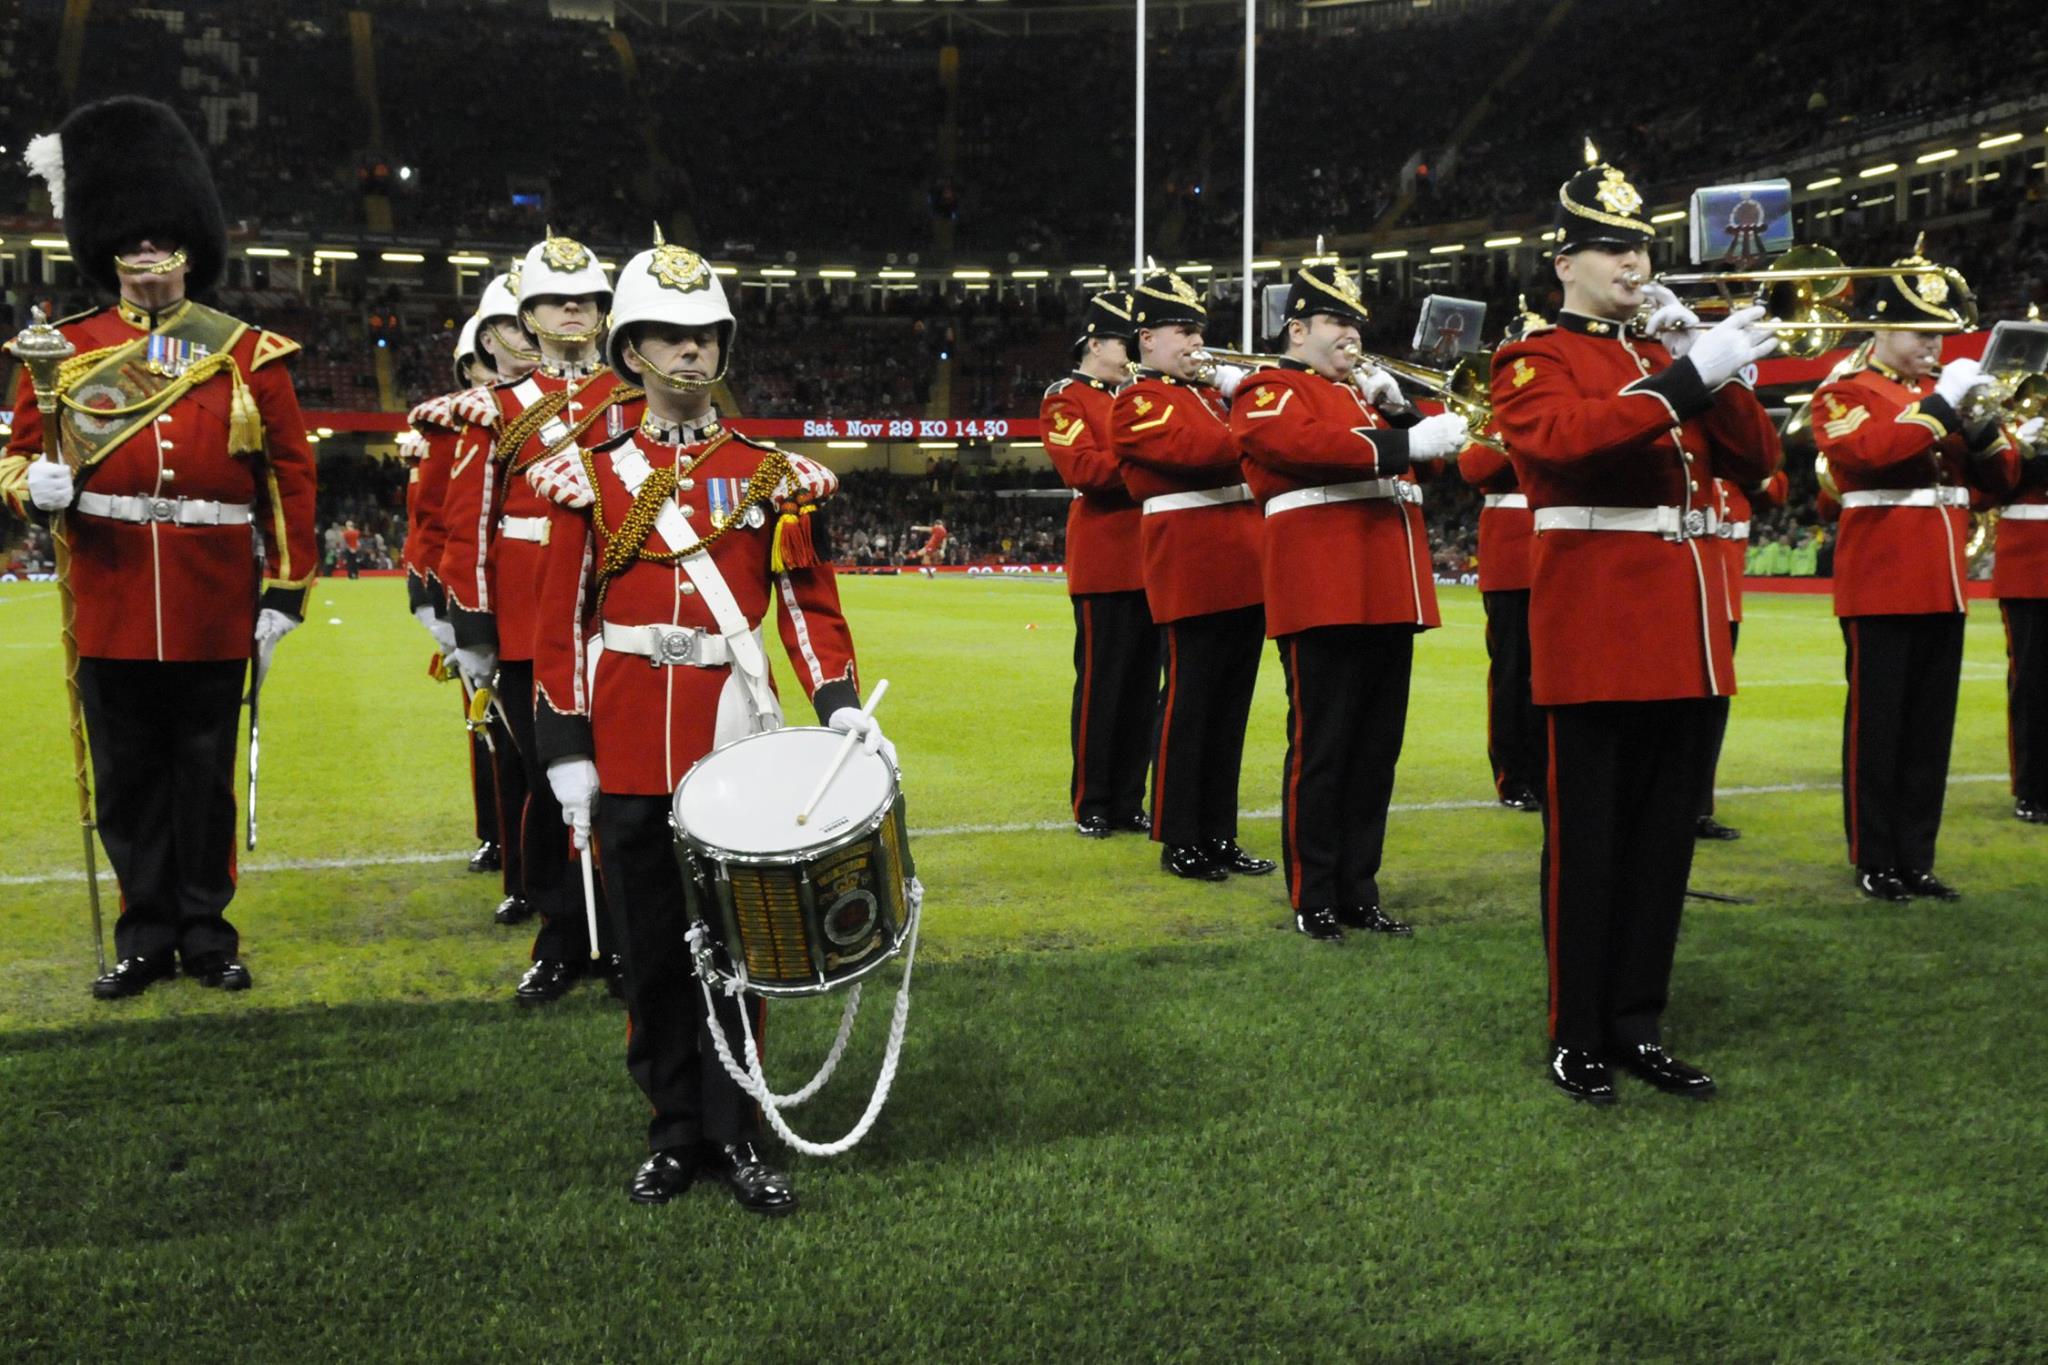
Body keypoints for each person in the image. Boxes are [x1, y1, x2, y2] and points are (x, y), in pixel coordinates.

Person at [527, 235, 890, 1213]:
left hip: (736, 741)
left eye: (703, 338)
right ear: (631, 349)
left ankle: (737, 1133)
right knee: (649, 952)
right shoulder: (587, 473)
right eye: (667, 337)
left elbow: (809, 608)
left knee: (741, 948)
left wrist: (843, 707)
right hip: (628, 736)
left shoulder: (769, 475)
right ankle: (672, 1129)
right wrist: (564, 746)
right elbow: (559, 622)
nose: (689, 355)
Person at [2, 97, 316, 998]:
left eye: (162, 240)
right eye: (130, 241)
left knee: (203, 778)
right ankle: (145, 932)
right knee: (130, 778)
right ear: (106, 247)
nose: (146, 255)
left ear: (190, 245)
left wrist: (284, 591)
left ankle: (207, 930)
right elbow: (17, 458)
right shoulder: (62, 354)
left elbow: (290, 479)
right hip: (106, 591)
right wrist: (36, 487)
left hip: (214, 592)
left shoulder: (247, 354)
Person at [1491, 153, 1781, 1104]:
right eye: (1612, 248)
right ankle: (1578, 1031)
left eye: (1642, 247)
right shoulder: (1533, 357)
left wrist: (1716, 365)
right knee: (1589, 846)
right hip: (1599, 629)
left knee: (1663, 847)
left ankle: (1638, 1023)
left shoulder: (1663, 356)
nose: (1633, 263)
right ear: (1564, 263)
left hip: (1684, 633)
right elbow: (1565, 446)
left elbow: (1757, 462)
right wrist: (1688, 377)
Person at [1232, 263, 1470, 940]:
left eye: (1355, 323)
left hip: (1386, 587)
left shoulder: (1365, 397)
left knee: (1375, 751)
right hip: (1325, 588)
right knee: (1324, 747)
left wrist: (1399, 410)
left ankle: (1359, 888)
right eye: (1337, 321)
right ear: (1297, 328)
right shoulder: (1267, 387)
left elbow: (1435, 459)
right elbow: (1298, 444)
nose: (1351, 335)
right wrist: (1401, 439)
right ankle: (1314, 894)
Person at [440, 231, 641, 1000]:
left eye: (586, 299)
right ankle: (560, 936)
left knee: (620, 788)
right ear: (528, 312)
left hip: (613, 617)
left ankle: (624, 937)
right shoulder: (497, 408)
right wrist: (476, 631)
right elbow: (471, 524)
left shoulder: (628, 400)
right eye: (557, 299)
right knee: (544, 784)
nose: (572, 310)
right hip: (527, 623)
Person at [1813, 248, 2022, 899]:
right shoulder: (1845, 391)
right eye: (1920, 331)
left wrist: (1988, 427)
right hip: (1880, 584)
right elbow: (1872, 451)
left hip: (1941, 585)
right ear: (1881, 329)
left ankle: (1916, 856)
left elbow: (2000, 483)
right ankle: (1874, 857)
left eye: (1939, 331)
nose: (1933, 342)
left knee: (1930, 734)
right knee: (1877, 734)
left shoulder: (1939, 398)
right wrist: (1943, 403)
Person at [1112, 272, 1273, 882]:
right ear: (1146, 338)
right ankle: (1179, 835)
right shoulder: (1138, 400)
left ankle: (1218, 832)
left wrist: (1238, 403)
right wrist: (1256, 412)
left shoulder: (1210, 397)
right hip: (1193, 568)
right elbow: (1202, 452)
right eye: (1183, 331)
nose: (1196, 343)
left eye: (1199, 331)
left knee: (1229, 713)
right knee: (1189, 707)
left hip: (1243, 566)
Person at [403, 298, 518, 878]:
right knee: (488, 731)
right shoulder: (452, 426)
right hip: (475, 599)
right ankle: (498, 837)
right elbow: (430, 524)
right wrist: (434, 606)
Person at [1043, 289, 1155, 839]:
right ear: (1094, 344)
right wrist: (1155, 461)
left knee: (1141, 691)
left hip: (1154, 560)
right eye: (1124, 341)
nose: (1133, 351)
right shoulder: (1067, 397)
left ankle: (1129, 799)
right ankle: (1092, 799)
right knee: (1102, 688)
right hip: (1107, 561)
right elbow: (1083, 468)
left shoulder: (1139, 395)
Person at [1456, 299, 1549, 813]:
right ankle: (1514, 775)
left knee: (1556, 669)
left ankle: (1551, 768)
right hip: (1513, 555)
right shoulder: (1497, 409)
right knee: (1514, 670)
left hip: (1560, 546)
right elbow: (1473, 465)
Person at [1692, 466, 1789, 840]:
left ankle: (1698, 808)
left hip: (1725, 595)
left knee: (1712, 708)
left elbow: (1774, 488)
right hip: (1682, 592)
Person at [1992, 422, 2048, 823]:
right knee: (2032, 681)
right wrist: (2014, 447)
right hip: (2031, 563)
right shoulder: (2010, 419)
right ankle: (2033, 788)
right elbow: (1983, 490)